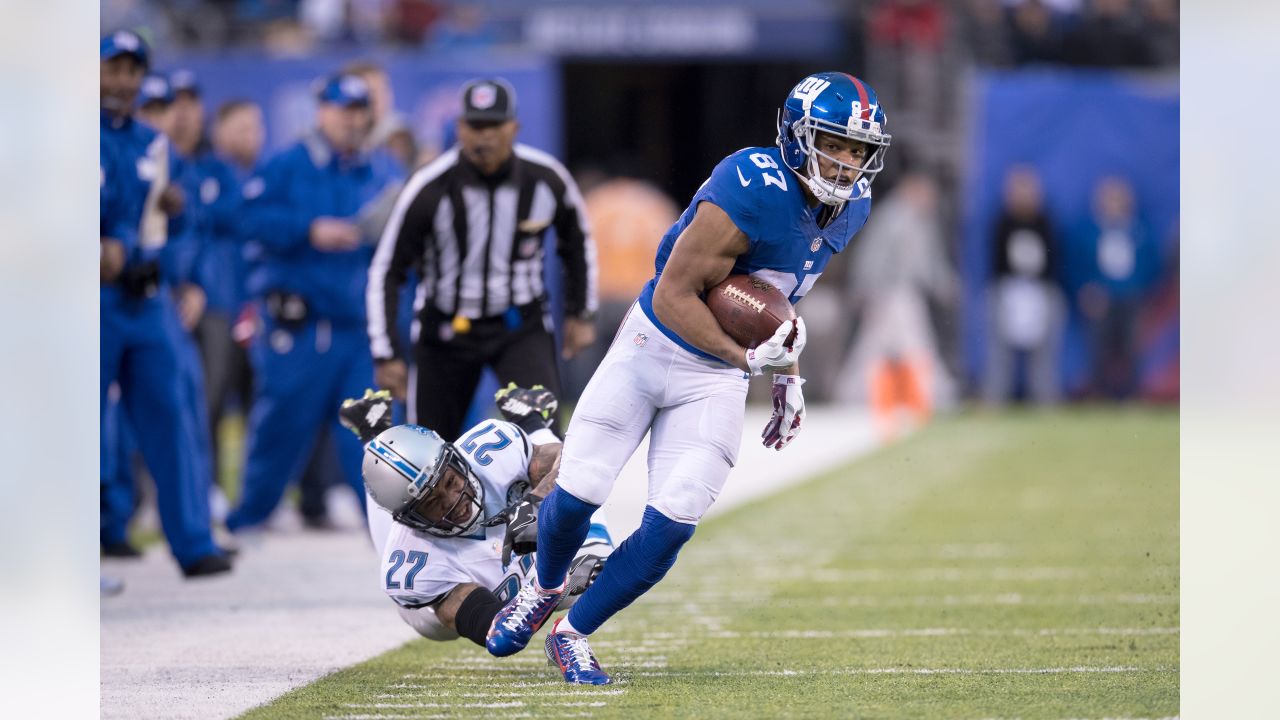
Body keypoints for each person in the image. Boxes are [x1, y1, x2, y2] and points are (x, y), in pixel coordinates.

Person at [485, 72, 891, 684]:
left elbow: (779, 303)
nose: (845, 163)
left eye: (858, 151)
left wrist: (787, 375)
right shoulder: (752, 185)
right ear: (797, 134)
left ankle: (573, 632)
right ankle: (543, 587)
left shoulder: (852, 206)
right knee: (577, 496)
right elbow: (676, 294)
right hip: (653, 346)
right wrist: (747, 362)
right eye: (833, 143)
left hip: (718, 374)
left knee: (673, 523)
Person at [367, 77, 598, 441]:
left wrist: (580, 311)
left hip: (518, 326)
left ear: (514, 127)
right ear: (460, 128)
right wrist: (386, 353)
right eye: (476, 126)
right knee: (427, 452)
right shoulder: (429, 187)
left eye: (494, 125)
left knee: (544, 445)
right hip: (445, 330)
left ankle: (539, 501)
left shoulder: (545, 179)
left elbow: (577, 241)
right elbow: (387, 269)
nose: (485, 137)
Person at [224, 73, 403, 534]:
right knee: (280, 428)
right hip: (300, 327)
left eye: (358, 109)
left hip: (356, 328)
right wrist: (308, 229)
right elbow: (247, 217)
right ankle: (248, 520)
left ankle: (386, 531)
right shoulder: (288, 164)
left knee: (372, 435)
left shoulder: (379, 169)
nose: (350, 119)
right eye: (341, 109)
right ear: (321, 111)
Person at [100, 30, 231, 577]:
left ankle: (193, 540)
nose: (123, 81)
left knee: (171, 414)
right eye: (114, 69)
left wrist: (172, 213)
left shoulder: (153, 144)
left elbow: (174, 223)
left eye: (133, 70)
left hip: (146, 296)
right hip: (95, 298)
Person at [338, 386, 612, 644]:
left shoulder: (491, 451)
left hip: (510, 534)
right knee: (428, 616)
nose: (453, 500)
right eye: (431, 502)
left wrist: (538, 501)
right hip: (442, 605)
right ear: (411, 517)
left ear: (455, 458)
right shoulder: (415, 565)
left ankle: (532, 423)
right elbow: (497, 632)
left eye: (449, 481)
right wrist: (553, 588)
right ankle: (372, 433)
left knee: (594, 543)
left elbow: (575, 458)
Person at [981, 166, 1066, 405]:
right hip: (1008, 290)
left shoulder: (1046, 221)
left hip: (1040, 291)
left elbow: (1053, 259)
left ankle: (1045, 399)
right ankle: (995, 399)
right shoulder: (1002, 221)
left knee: (1044, 353)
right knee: (999, 352)